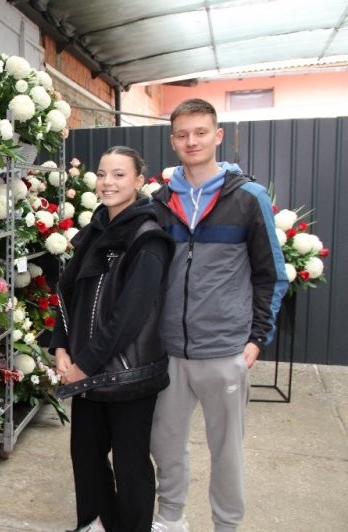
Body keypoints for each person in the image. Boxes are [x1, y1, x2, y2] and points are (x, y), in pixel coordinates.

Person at [150, 98, 289, 532]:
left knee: (226, 451)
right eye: (182, 134)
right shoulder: (160, 201)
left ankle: (226, 525)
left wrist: (256, 338)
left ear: (218, 136)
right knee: (165, 444)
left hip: (225, 349)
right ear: (173, 141)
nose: (191, 141)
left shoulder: (248, 198)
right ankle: (170, 518)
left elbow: (271, 274)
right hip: (169, 350)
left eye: (200, 132)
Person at [51, 146, 175, 532]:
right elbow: (69, 294)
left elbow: (129, 317)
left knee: (130, 462)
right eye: (103, 174)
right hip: (86, 369)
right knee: (86, 456)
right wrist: (60, 346)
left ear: (138, 181)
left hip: (127, 375)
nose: (108, 182)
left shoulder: (148, 239)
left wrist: (84, 365)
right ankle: (96, 523)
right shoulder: (95, 231)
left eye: (119, 175)